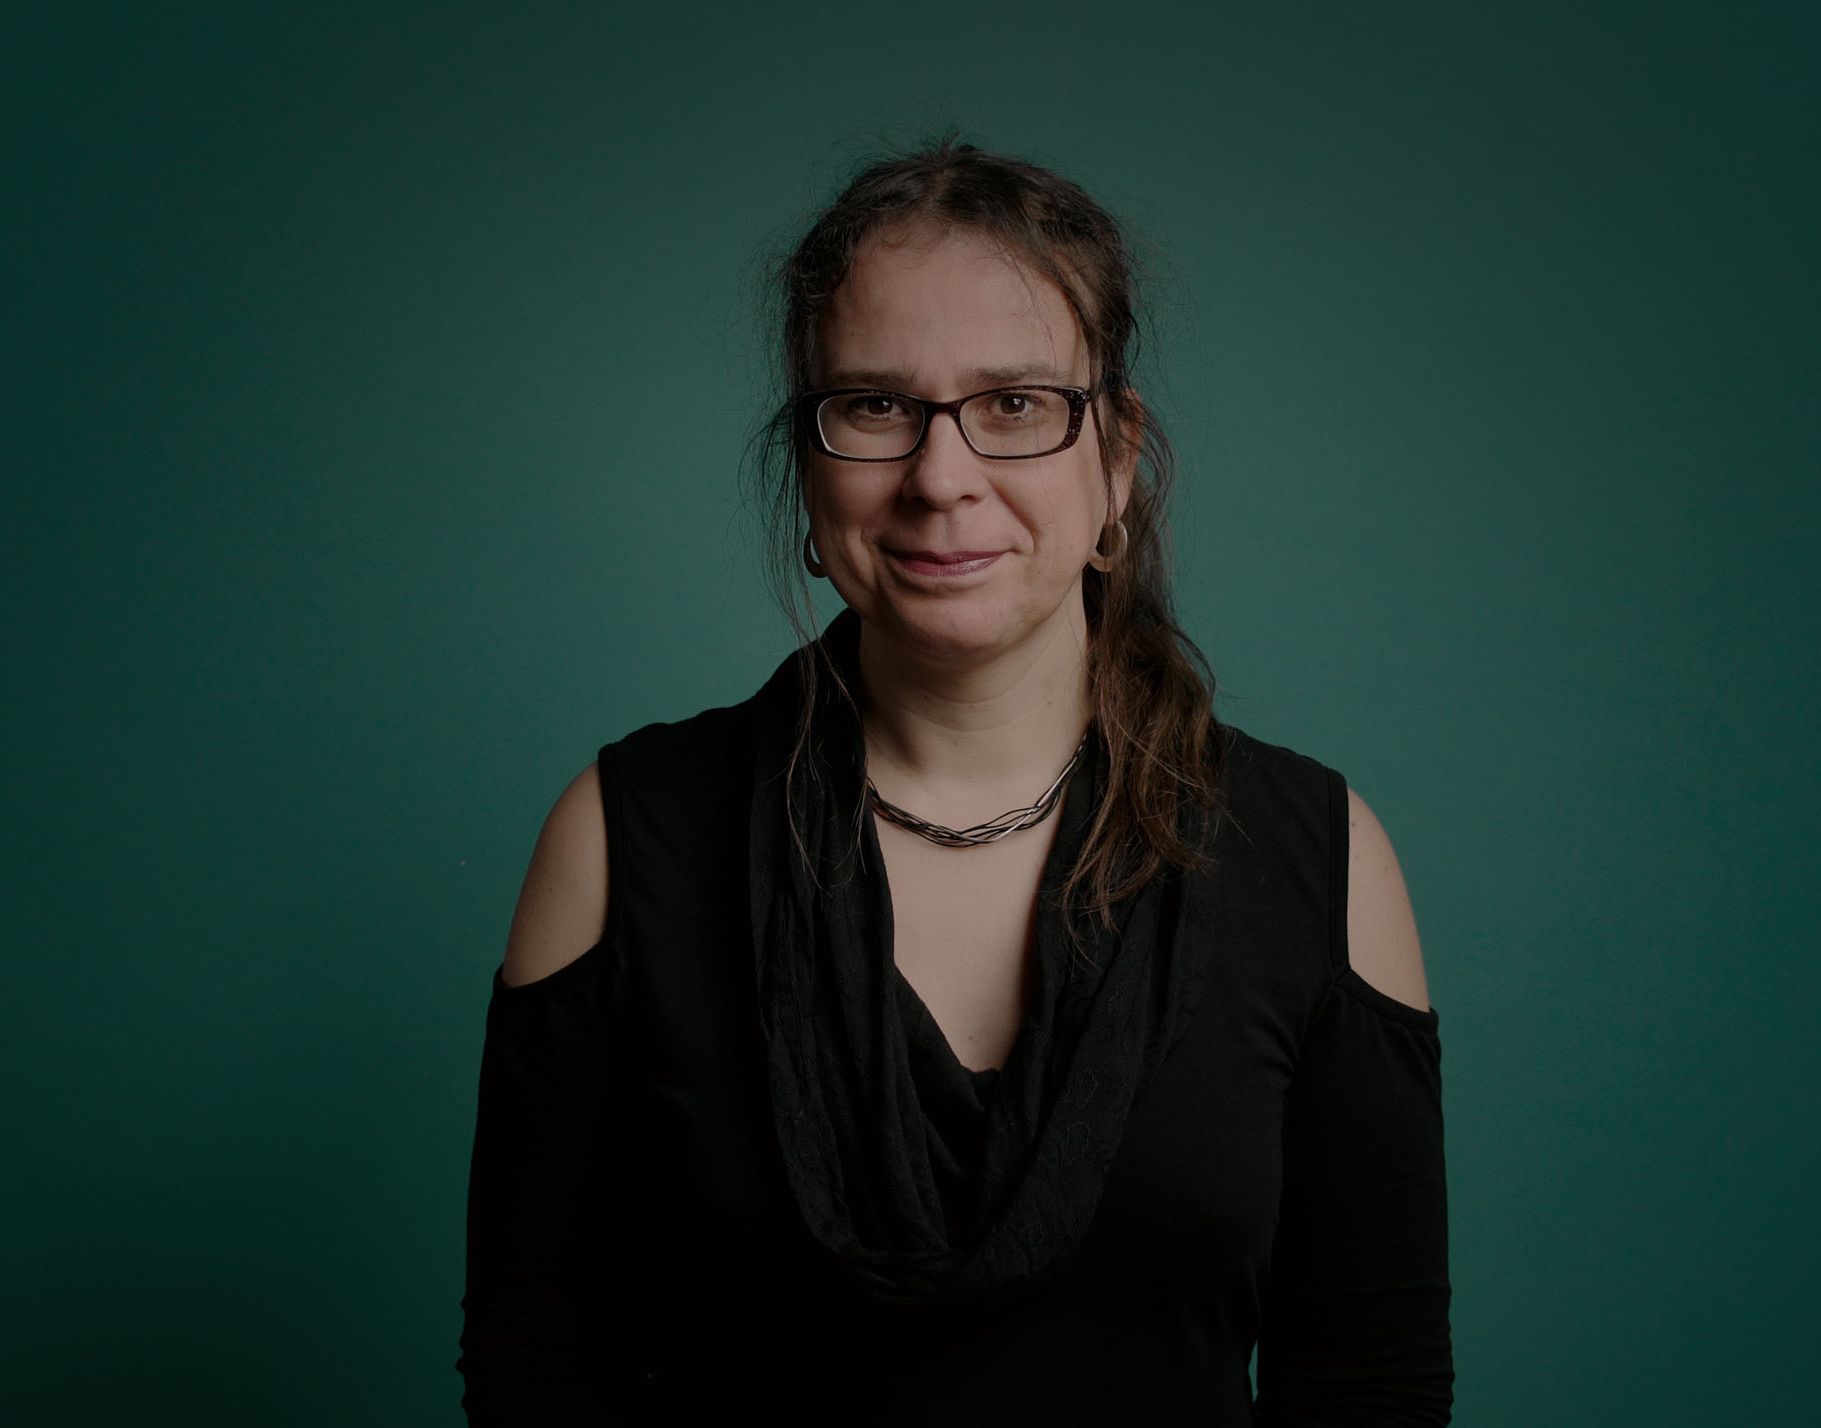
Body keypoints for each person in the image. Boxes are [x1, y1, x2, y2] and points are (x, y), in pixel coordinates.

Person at [457, 140, 1452, 1425]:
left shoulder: (1317, 857)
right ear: (808, 467)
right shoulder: (621, 836)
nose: (939, 478)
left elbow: (1368, 1390)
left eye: (1015, 404)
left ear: (1116, 460)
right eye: (875, 406)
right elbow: (538, 1369)